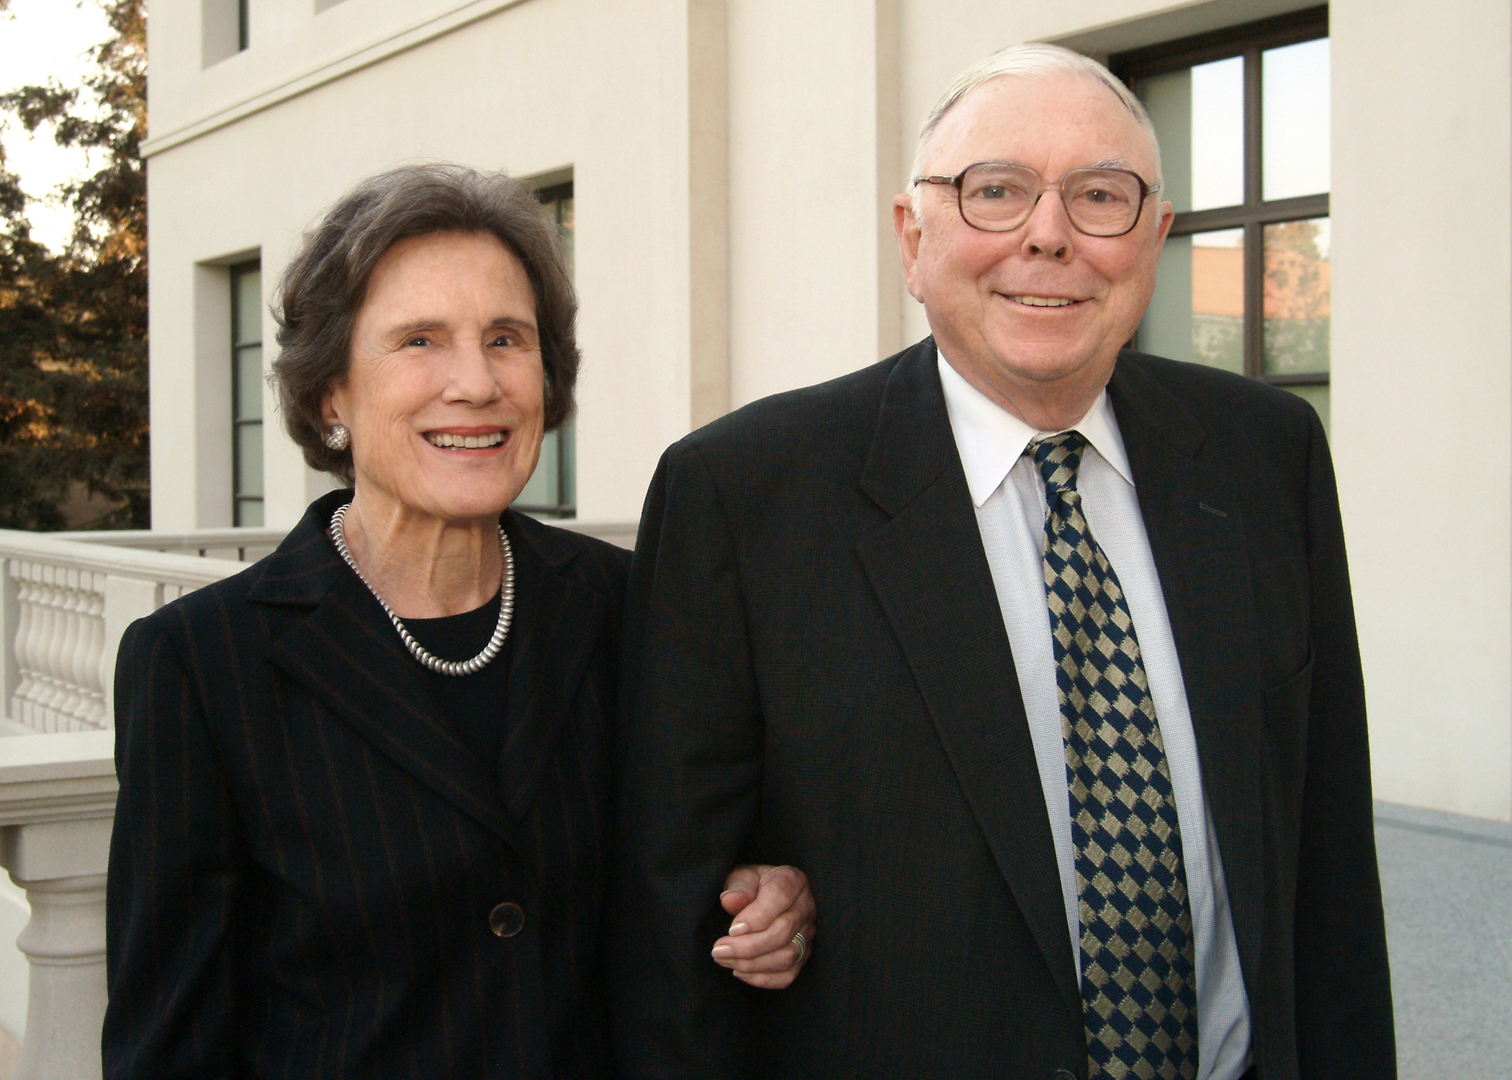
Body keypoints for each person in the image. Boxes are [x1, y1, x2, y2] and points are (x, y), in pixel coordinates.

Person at [611, 44, 1393, 1080]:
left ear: (1154, 239)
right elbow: (677, 921)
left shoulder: (1265, 456)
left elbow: (1327, 860)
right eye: (996, 191)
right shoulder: (745, 495)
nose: (1049, 236)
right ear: (912, 236)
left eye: (1101, 197)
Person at [103, 163, 815, 1079]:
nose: (476, 383)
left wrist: (778, 897)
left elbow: (726, 851)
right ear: (330, 396)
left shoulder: (636, 608)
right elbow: (169, 1045)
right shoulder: (200, 665)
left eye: (507, 339)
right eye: (420, 341)